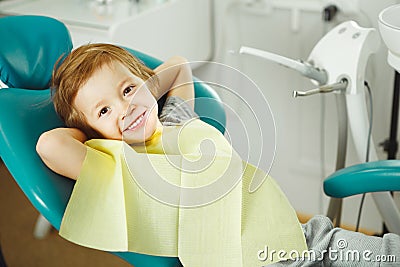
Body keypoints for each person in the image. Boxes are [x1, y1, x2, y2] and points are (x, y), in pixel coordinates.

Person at [36, 43, 400, 266]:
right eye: (103, 111)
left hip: (304, 238)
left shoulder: (175, 118)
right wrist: (92, 130)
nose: (124, 108)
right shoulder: (112, 163)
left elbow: (178, 64)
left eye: (129, 89)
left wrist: (139, 92)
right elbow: (50, 145)